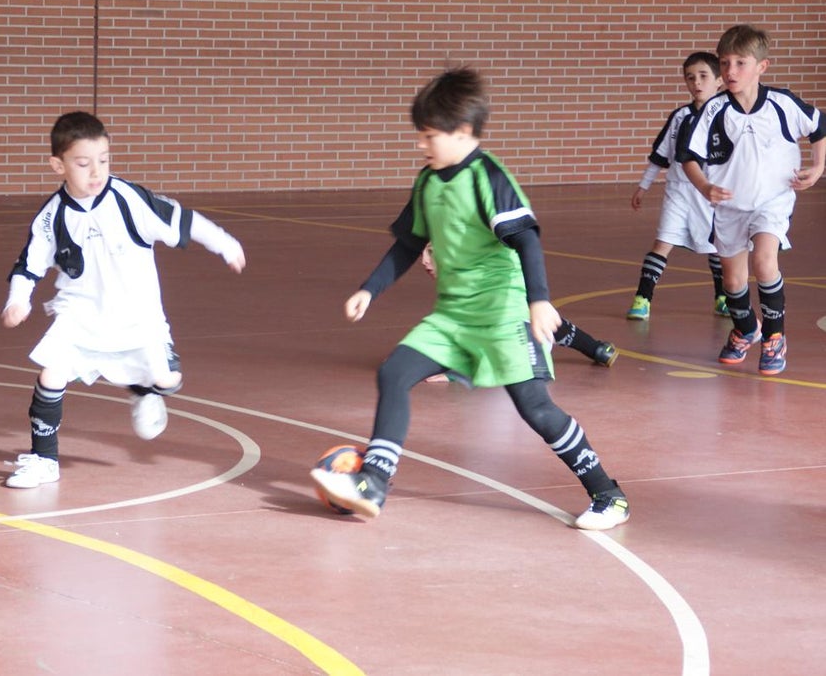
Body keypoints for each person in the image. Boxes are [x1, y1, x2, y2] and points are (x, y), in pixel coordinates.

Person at [310, 67, 630, 530]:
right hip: (454, 314)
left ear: (463, 133)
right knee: (394, 372)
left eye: (429, 136)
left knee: (535, 408)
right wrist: (369, 289)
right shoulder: (428, 181)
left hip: (502, 311)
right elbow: (406, 244)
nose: (421, 145)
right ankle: (374, 482)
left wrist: (539, 300)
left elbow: (528, 240)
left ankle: (608, 494)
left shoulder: (488, 178)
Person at [0, 111, 247, 488]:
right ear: (58, 165)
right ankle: (43, 459)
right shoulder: (52, 217)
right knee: (51, 374)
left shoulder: (130, 200)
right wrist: (17, 301)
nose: (95, 172)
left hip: (137, 316)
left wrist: (224, 244)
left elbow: (184, 220)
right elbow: (29, 264)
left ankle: (144, 389)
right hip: (79, 312)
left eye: (103, 161)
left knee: (169, 378)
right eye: (83, 163)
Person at [680, 25, 824, 375]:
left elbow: (819, 128)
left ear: (762, 66)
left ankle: (775, 337)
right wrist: (704, 187)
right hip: (729, 206)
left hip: (772, 200)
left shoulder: (782, 104)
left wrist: (818, 167)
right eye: (724, 63)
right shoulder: (712, 110)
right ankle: (746, 329)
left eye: (740, 63)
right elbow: (688, 157)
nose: (730, 71)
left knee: (764, 261)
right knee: (732, 283)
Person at [626, 52, 728, 320]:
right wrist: (644, 185)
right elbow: (660, 154)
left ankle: (722, 297)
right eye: (690, 77)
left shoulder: (728, 116)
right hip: (679, 192)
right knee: (663, 242)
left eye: (704, 76)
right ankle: (642, 299)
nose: (697, 82)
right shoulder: (679, 116)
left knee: (717, 247)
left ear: (719, 80)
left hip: (711, 194)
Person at [421, 246, 618, 367]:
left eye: (430, 252)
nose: (424, 261)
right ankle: (595, 348)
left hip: (521, 357)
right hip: (529, 342)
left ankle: (594, 348)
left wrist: (457, 373)